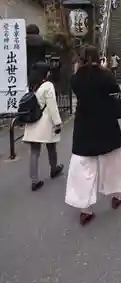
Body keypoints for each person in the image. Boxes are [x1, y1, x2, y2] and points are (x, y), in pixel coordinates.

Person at [65, 45, 121, 226]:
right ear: (98, 57)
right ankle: (115, 196)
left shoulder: (76, 79)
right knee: (113, 162)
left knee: (84, 167)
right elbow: (115, 94)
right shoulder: (106, 76)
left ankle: (85, 209)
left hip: (84, 126)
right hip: (106, 124)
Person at [22, 62, 63, 191]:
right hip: (45, 122)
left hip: (33, 122)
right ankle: (54, 168)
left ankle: (34, 180)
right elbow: (52, 106)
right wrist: (57, 122)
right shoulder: (47, 86)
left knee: (34, 152)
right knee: (51, 147)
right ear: (46, 73)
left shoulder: (32, 86)